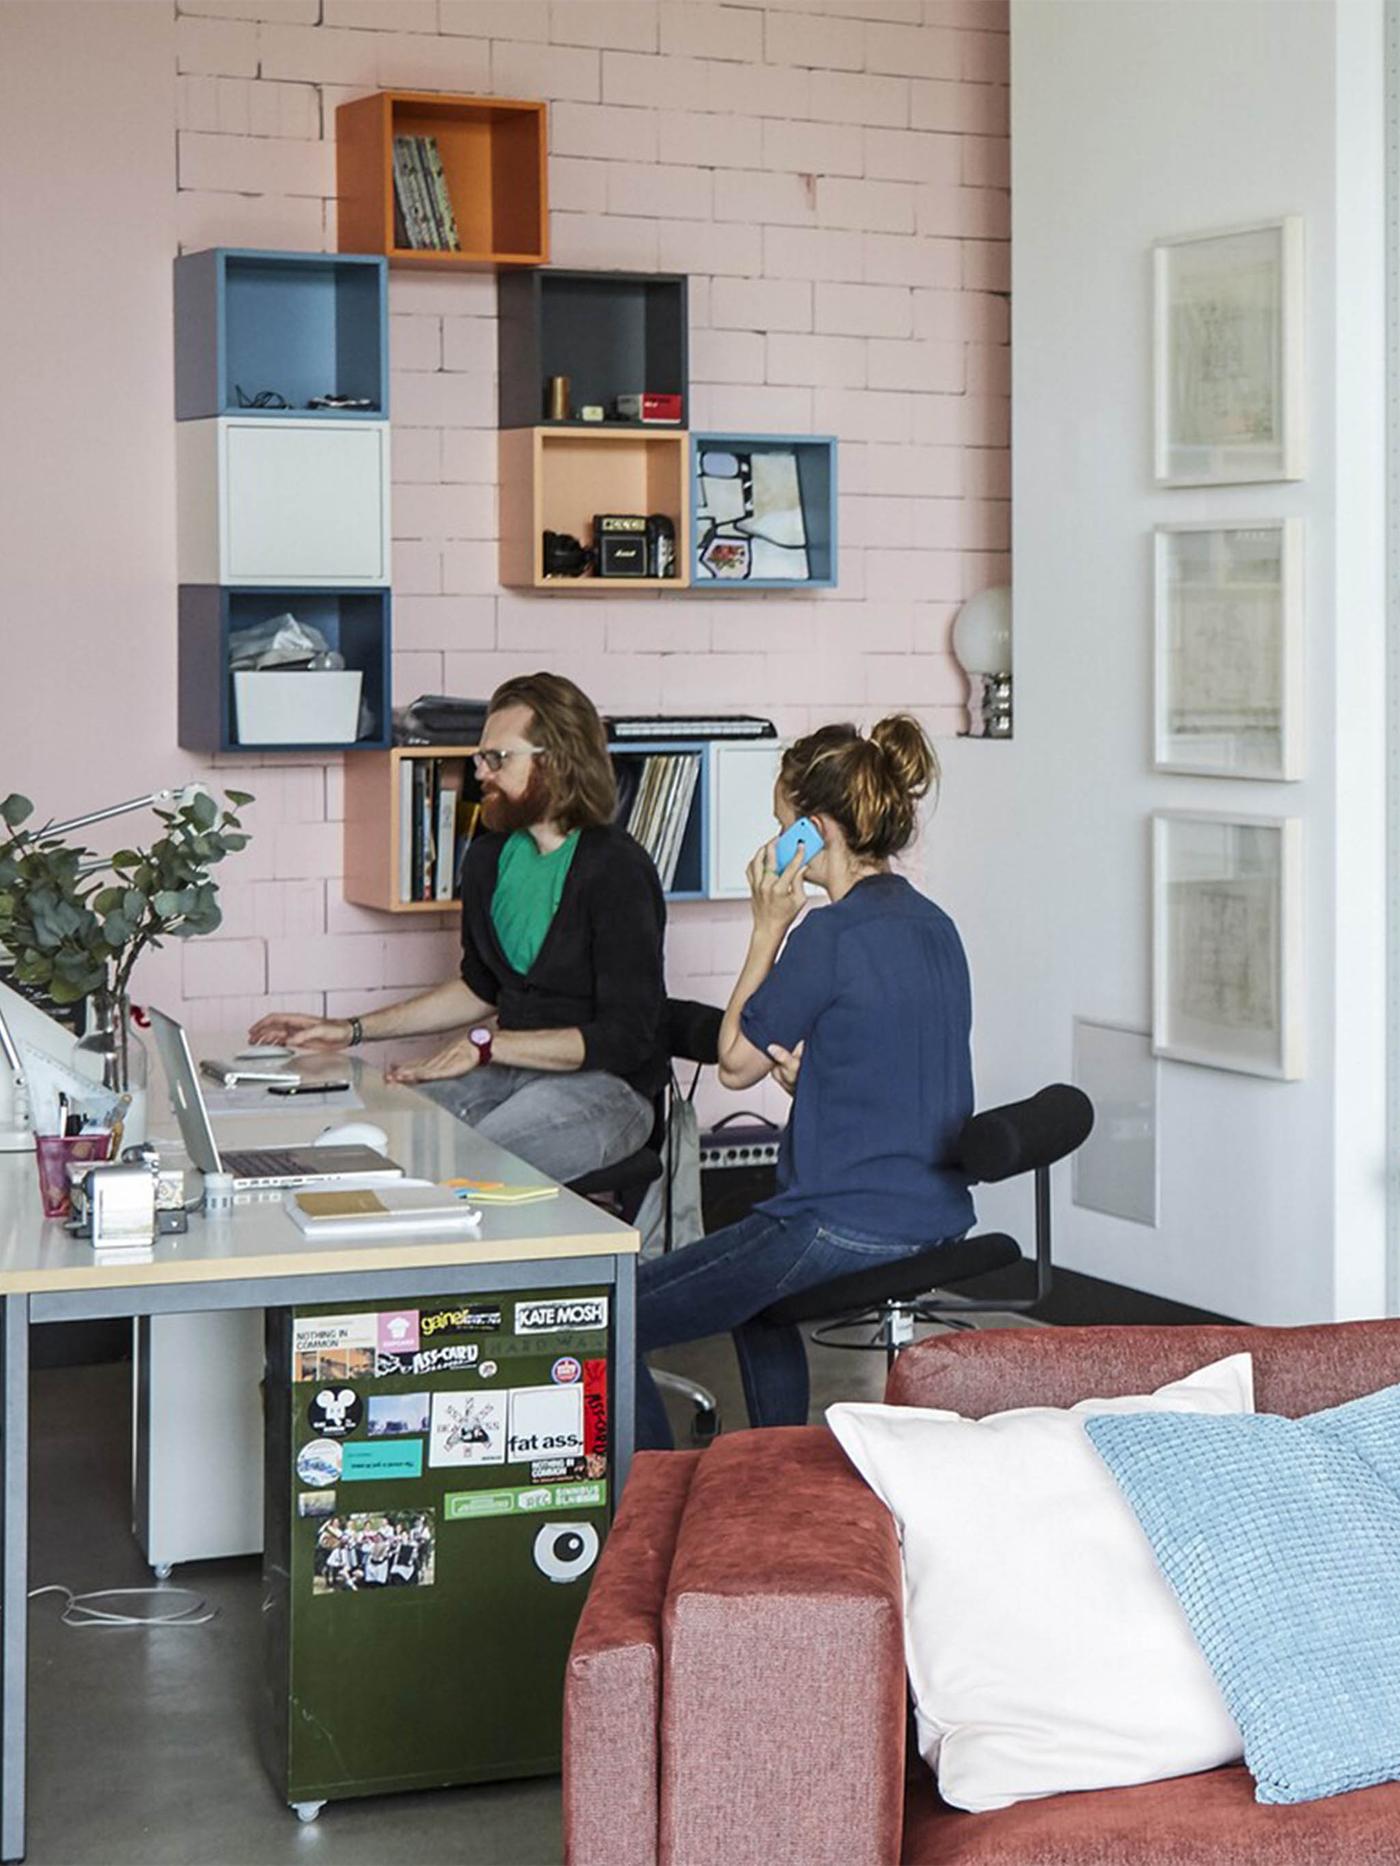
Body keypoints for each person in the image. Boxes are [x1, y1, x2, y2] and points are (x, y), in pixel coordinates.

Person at [635, 715, 975, 1451]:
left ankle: (654, 1502)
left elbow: (732, 1064)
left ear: (816, 829)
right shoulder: (935, 926)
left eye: (782, 824)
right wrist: (810, 1082)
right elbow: (900, 1074)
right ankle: (776, 1475)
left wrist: (767, 927)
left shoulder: (826, 933)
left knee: (618, 1313)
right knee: (761, 1303)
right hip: (933, 1215)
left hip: (839, 1223)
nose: (775, 844)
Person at [248, 672, 666, 1184]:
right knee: (374, 1144)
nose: (480, 772)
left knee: (463, 1167)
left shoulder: (617, 868)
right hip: (509, 1072)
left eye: (497, 758)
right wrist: (351, 1030)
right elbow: (481, 987)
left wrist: (485, 1047)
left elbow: (627, 1038)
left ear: (555, 761)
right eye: (480, 757)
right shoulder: (490, 857)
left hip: (607, 1088)